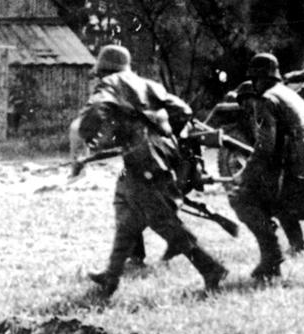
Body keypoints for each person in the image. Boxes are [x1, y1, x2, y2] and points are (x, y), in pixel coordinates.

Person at [78, 45, 228, 295]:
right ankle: (111, 276)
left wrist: (92, 137)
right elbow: (183, 110)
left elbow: (95, 112)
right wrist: (161, 135)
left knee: (162, 221)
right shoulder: (148, 84)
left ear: (104, 69)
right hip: (160, 156)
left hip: (142, 161)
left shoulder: (110, 84)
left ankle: (210, 267)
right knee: (126, 215)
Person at [228, 53, 304, 280]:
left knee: (253, 200)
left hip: (295, 152)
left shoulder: (267, 100)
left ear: (260, 77)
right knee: (285, 200)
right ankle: (301, 241)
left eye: (255, 79)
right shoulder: (288, 92)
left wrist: (245, 174)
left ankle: (276, 255)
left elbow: (265, 145)